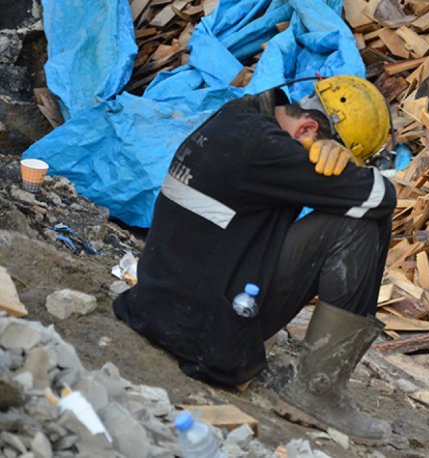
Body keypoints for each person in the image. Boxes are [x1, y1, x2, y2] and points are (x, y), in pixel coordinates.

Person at [113, 75, 396, 444]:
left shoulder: (240, 116)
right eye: (332, 149)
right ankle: (318, 391)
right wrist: (357, 173)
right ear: (308, 128)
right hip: (200, 335)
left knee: (356, 211)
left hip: (161, 304)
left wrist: (341, 160)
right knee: (357, 224)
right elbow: (380, 197)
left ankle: (317, 384)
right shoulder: (270, 149)